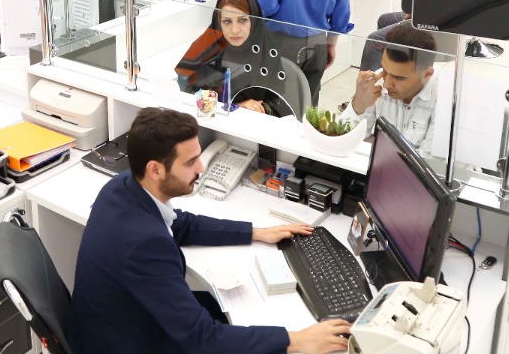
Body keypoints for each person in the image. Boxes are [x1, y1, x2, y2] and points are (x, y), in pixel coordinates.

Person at [68, 107, 351, 354]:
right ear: (155, 170)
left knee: (228, 312)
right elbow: (202, 339)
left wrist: (256, 232)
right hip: (131, 344)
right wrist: (297, 340)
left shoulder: (124, 185)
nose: (202, 168)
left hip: (117, 322)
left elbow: (181, 223)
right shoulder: (146, 245)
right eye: (190, 162)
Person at [175, 0, 301, 118]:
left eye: (242, 20)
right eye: (227, 21)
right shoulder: (205, 48)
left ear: (253, 20)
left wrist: (260, 108)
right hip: (211, 122)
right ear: (218, 22)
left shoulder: (266, 48)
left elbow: (278, 99)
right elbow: (185, 95)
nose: (234, 30)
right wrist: (234, 107)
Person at [348, 22, 439, 151]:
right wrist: (357, 104)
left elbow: (429, 160)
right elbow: (344, 139)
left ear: (427, 74)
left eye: (399, 78)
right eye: (385, 70)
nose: (386, 84)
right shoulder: (378, 82)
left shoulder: (445, 99)